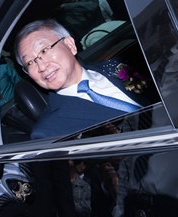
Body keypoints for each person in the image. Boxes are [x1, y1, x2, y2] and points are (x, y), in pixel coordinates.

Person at [14, 18, 148, 140]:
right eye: (30, 62)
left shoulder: (122, 64)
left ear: (70, 45)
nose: (41, 66)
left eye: (44, 50)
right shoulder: (49, 133)